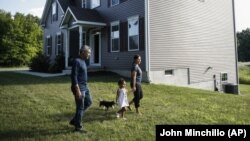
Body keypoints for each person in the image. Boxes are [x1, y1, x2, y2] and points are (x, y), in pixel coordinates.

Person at [70, 45, 92, 133]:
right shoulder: (77, 61)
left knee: (89, 102)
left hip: (85, 87)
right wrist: (77, 90)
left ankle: (75, 120)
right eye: (89, 52)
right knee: (80, 107)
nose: (90, 54)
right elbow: (73, 76)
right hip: (79, 88)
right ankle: (78, 127)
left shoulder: (83, 61)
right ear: (83, 52)